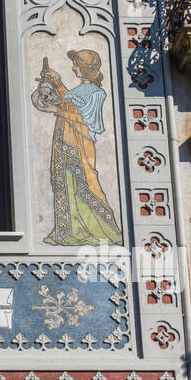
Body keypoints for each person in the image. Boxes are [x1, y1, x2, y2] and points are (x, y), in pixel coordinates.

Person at [31, 49, 122, 246]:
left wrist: (57, 110)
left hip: (79, 144)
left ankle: (103, 230)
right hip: (63, 140)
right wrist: (56, 81)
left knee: (86, 184)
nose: (73, 68)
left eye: (76, 65)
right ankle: (66, 231)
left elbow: (87, 121)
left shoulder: (97, 93)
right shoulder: (79, 89)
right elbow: (68, 103)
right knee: (63, 184)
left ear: (86, 68)